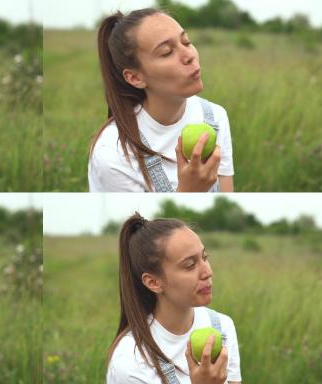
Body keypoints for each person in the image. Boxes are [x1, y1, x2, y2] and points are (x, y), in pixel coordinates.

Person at [89, 8, 234, 192]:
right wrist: (188, 192)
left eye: (186, 42)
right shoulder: (113, 154)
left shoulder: (215, 117)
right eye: (167, 52)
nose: (189, 56)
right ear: (135, 78)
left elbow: (226, 194)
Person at [106, 213, 241, 383]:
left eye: (204, 257)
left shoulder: (222, 327)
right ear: (153, 282)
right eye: (190, 265)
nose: (208, 272)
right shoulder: (130, 363)